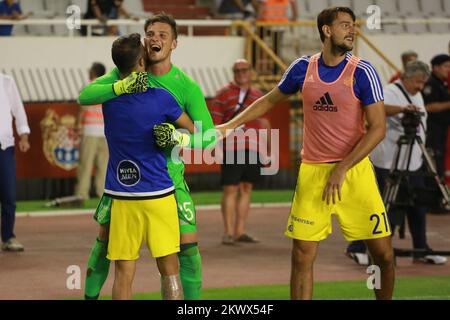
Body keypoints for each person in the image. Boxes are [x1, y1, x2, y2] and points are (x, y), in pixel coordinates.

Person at [217, 7, 395, 300]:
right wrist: (231, 125)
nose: (352, 31)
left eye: (353, 26)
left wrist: (342, 168)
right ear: (326, 30)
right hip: (313, 172)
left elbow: (378, 128)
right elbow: (269, 99)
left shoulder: (364, 72)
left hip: (354, 171)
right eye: (345, 25)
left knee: (383, 255)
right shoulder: (302, 68)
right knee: (301, 255)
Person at [78, 13, 216, 300]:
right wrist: (121, 86)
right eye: (150, 33)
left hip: (170, 180)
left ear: (174, 43)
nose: (155, 38)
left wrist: (177, 137)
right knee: (103, 249)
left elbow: (209, 136)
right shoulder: (121, 75)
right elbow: (86, 94)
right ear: (143, 43)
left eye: (162, 35)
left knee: (189, 253)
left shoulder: (186, 86)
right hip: (128, 183)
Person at [104, 33, 195, 300]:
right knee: (170, 269)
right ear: (142, 62)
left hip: (122, 196)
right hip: (159, 193)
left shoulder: (108, 99)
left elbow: (92, 91)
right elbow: (192, 130)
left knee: (123, 271)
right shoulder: (161, 98)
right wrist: (173, 134)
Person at [347, 61, 447, 265]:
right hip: (388, 161)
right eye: (418, 82)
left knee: (418, 206)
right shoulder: (390, 91)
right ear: (407, 77)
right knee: (380, 207)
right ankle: (358, 246)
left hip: (413, 161)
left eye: (423, 82)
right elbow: (377, 109)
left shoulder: (416, 93)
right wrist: (402, 109)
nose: (421, 86)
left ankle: (421, 249)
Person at [210, 59, 270, 245]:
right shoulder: (223, 94)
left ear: (251, 71)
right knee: (230, 189)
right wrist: (214, 147)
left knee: (246, 188)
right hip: (231, 147)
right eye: (237, 70)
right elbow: (215, 124)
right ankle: (228, 232)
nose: (241, 73)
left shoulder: (258, 95)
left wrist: (268, 149)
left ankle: (240, 231)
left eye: (245, 69)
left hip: (254, 147)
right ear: (233, 73)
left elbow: (264, 123)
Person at [0, 73, 30, 251]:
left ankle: (8, 237)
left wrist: (24, 136)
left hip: (5, 146)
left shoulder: (6, 81)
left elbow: (18, 110)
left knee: (9, 196)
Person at [74, 63, 108, 202]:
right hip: (105, 131)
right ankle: (103, 193)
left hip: (90, 130)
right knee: (104, 165)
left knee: (85, 164)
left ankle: (82, 193)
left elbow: (82, 106)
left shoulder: (88, 85)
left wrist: (77, 124)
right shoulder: (107, 86)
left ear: (94, 72)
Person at [422, 54, 450, 181]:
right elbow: (428, 107)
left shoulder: (441, 84)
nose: (448, 69)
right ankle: (433, 192)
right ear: (435, 67)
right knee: (433, 162)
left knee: (440, 160)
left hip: (442, 129)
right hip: (433, 130)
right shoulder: (431, 84)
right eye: (446, 66)